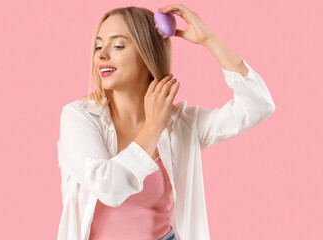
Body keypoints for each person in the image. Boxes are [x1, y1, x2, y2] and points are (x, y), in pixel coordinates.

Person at [56, 4, 276, 240]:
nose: (101, 54)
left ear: (147, 53)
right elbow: (109, 188)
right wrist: (152, 127)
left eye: (118, 45)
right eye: (98, 45)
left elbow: (258, 106)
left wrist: (209, 39)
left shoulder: (180, 125)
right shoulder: (79, 117)